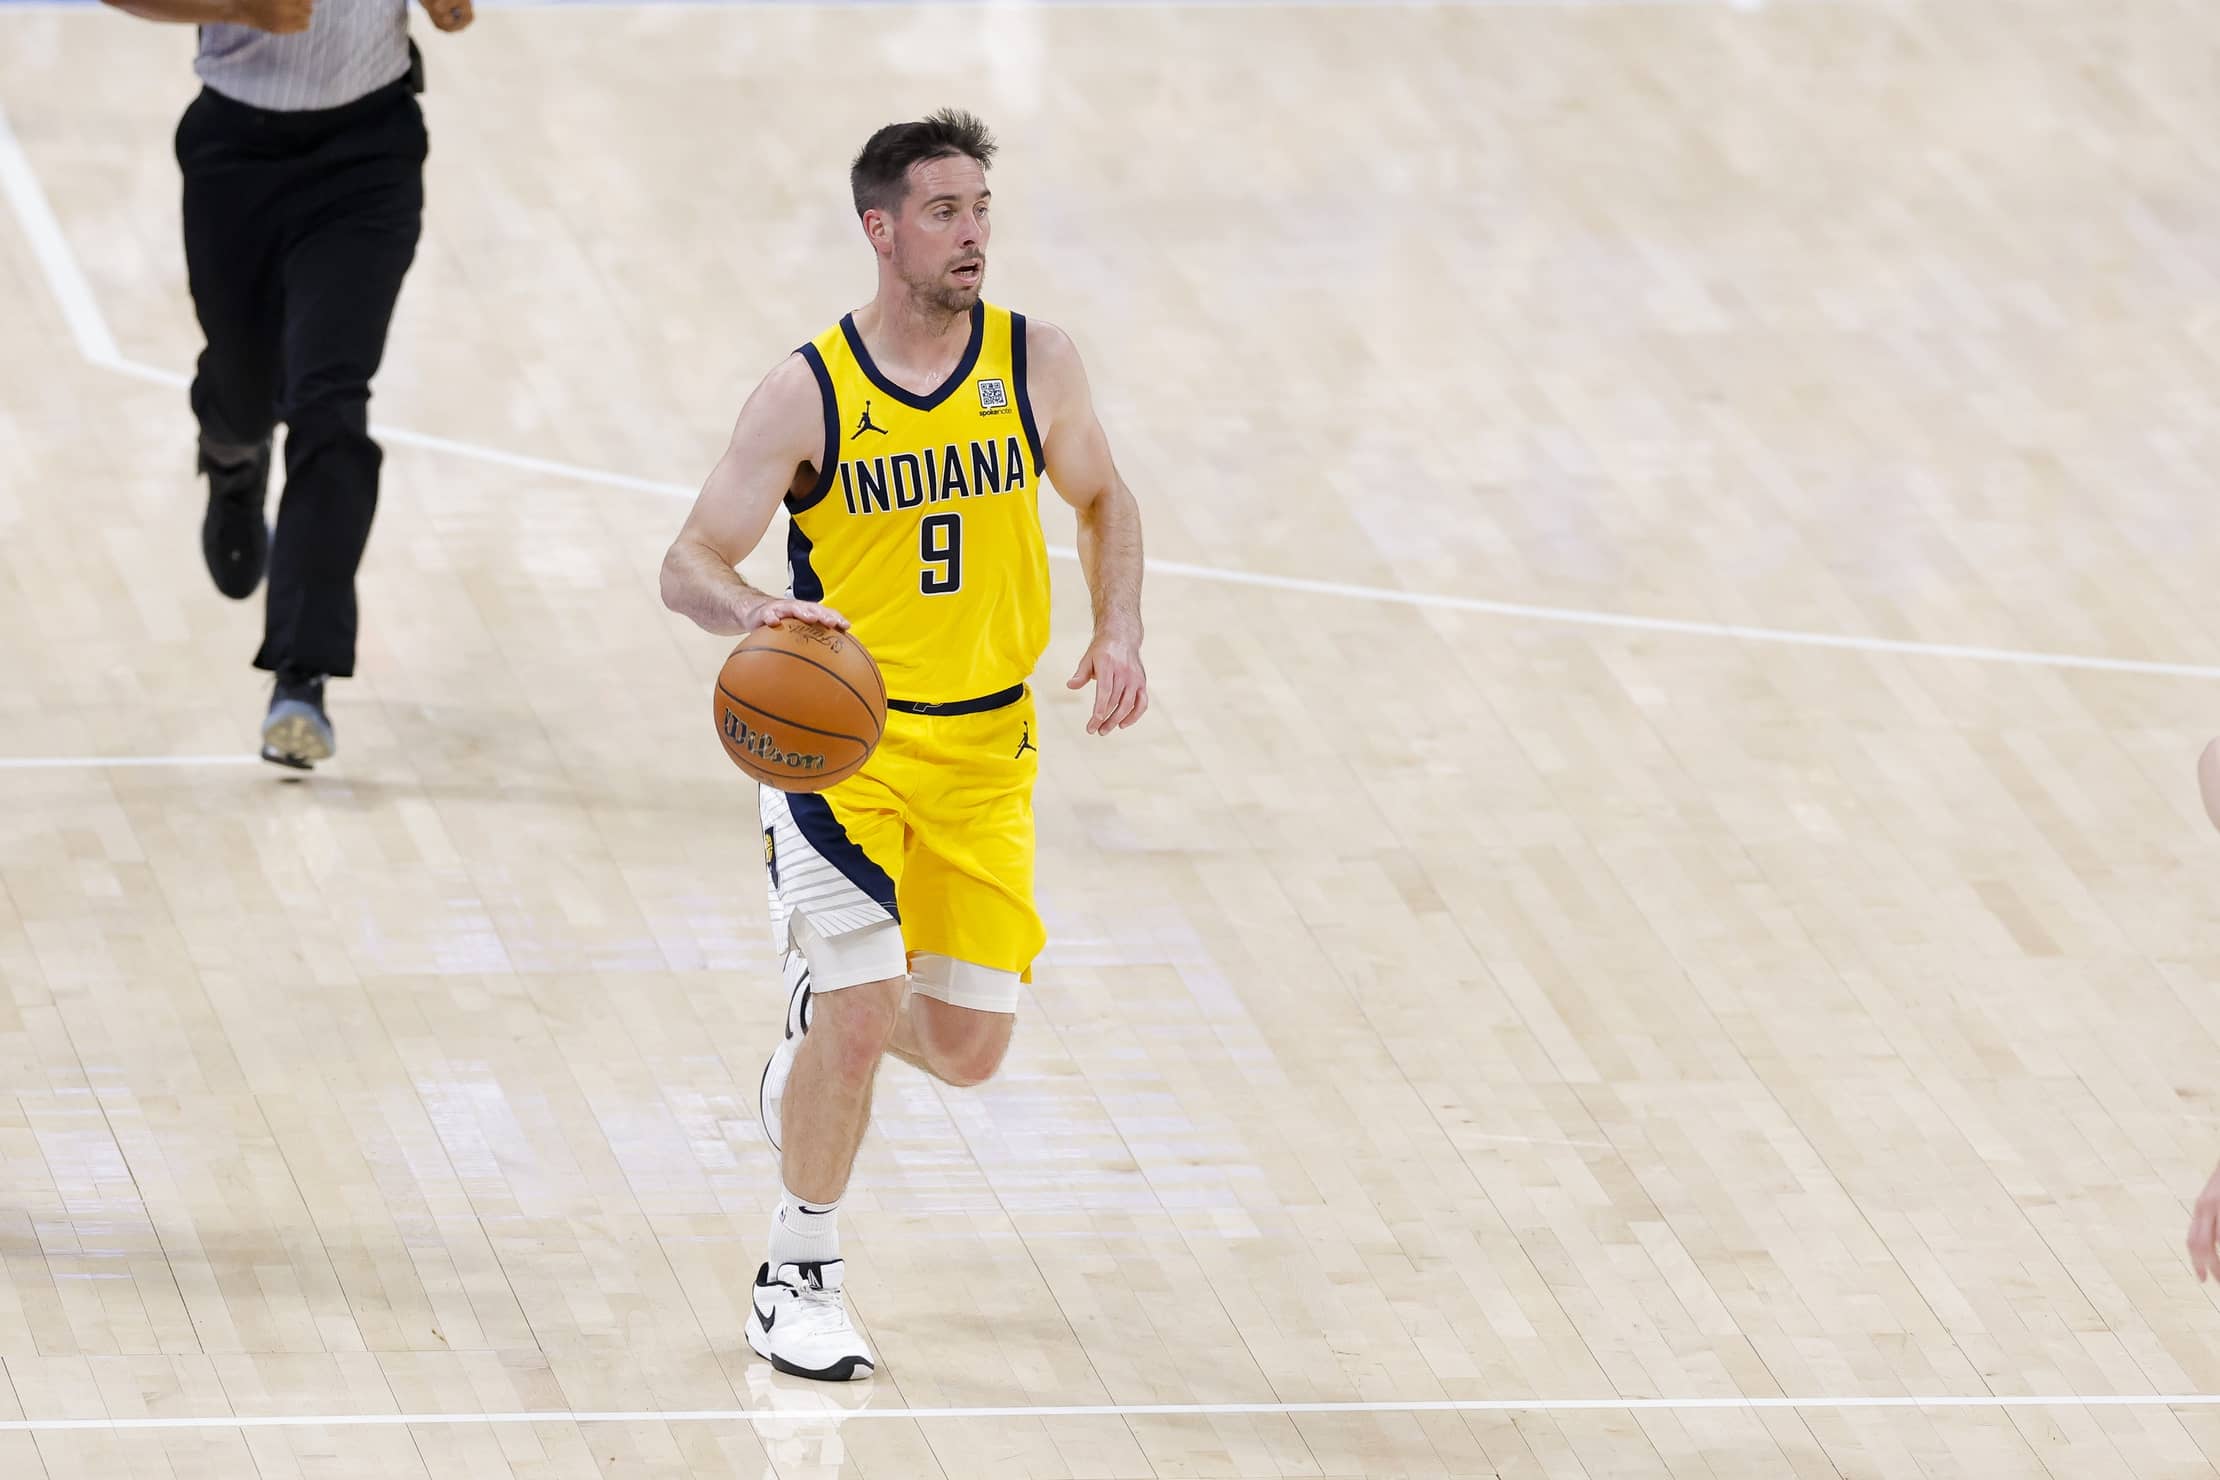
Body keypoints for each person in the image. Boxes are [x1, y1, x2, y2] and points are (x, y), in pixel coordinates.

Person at [660, 109, 1148, 1381]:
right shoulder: (808, 389)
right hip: (843, 752)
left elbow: (1103, 494)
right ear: (880, 231)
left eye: (981, 206)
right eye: (943, 211)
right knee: (872, 1009)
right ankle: (796, 1273)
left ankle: (822, 1034)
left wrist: (1124, 624)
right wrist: (754, 606)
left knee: (969, 1049)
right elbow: (686, 561)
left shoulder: (1036, 361)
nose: (972, 232)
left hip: (992, 752)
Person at [100, 0, 472, 767]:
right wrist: (236, 6)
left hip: (371, 157)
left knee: (330, 403)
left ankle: (302, 676)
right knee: (245, 389)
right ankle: (232, 459)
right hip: (236, 157)